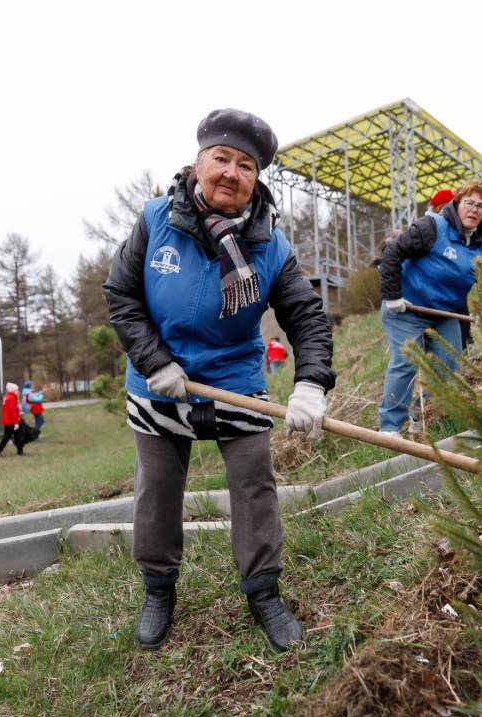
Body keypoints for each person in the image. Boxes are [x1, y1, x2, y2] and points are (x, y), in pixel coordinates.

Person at [104, 108, 335, 653]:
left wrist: (311, 383)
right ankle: (158, 588)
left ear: (256, 178)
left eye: (246, 165)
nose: (232, 172)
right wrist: (154, 361)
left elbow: (306, 317)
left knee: (254, 486)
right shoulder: (156, 219)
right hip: (158, 378)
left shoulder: (271, 245)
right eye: (222, 158)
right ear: (198, 161)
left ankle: (264, 591)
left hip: (233, 379)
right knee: (158, 489)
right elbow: (122, 294)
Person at [377, 180, 482, 436]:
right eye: (469, 202)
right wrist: (393, 297)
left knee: (449, 364)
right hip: (406, 308)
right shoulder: (432, 227)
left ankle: (423, 418)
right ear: (457, 203)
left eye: (481, 206)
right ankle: (389, 429)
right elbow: (392, 254)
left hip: (444, 314)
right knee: (405, 364)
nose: (474, 209)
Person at [0, 382, 25, 456]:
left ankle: (20, 452)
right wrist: (16, 423)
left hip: (9, 421)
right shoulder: (11, 398)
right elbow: (12, 412)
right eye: (17, 390)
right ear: (13, 390)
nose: (18, 391)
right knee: (7, 437)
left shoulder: (8, 397)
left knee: (17, 436)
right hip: (10, 422)